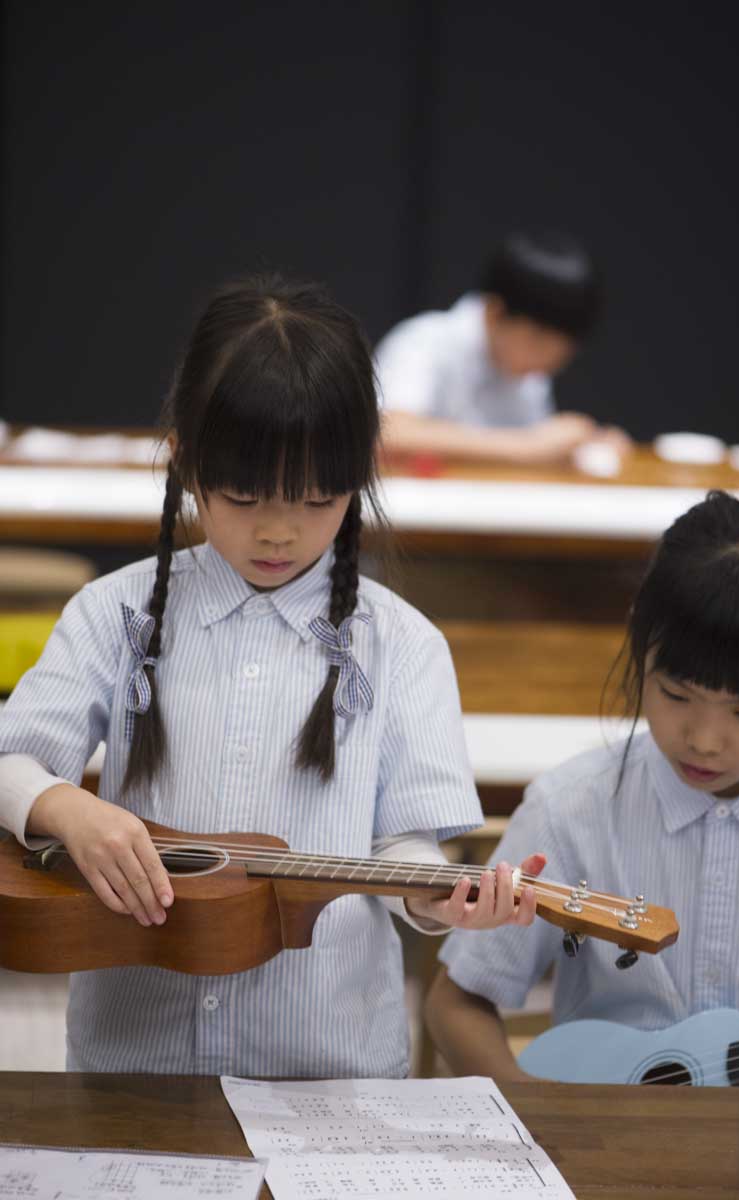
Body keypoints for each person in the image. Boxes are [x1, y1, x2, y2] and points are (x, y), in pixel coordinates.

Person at [0, 274, 542, 1078]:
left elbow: (405, 846)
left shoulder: (404, 645)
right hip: (134, 1060)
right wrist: (63, 807)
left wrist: (434, 897)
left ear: (359, 476)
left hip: (326, 1066)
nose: (279, 533)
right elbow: (9, 759)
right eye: (245, 497)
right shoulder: (113, 614)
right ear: (185, 462)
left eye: (318, 501)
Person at [425, 490, 739, 1080]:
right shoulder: (573, 807)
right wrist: (534, 1112)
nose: (704, 740)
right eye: (675, 695)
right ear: (638, 646)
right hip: (599, 1130)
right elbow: (457, 1001)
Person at [375, 231, 627, 465]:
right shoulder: (423, 341)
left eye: (561, 353)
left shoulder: (528, 372)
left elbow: (535, 449)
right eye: (538, 343)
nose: (547, 362)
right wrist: (528, 446)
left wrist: (583, 445)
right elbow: (387, 436)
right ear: (495, 312)